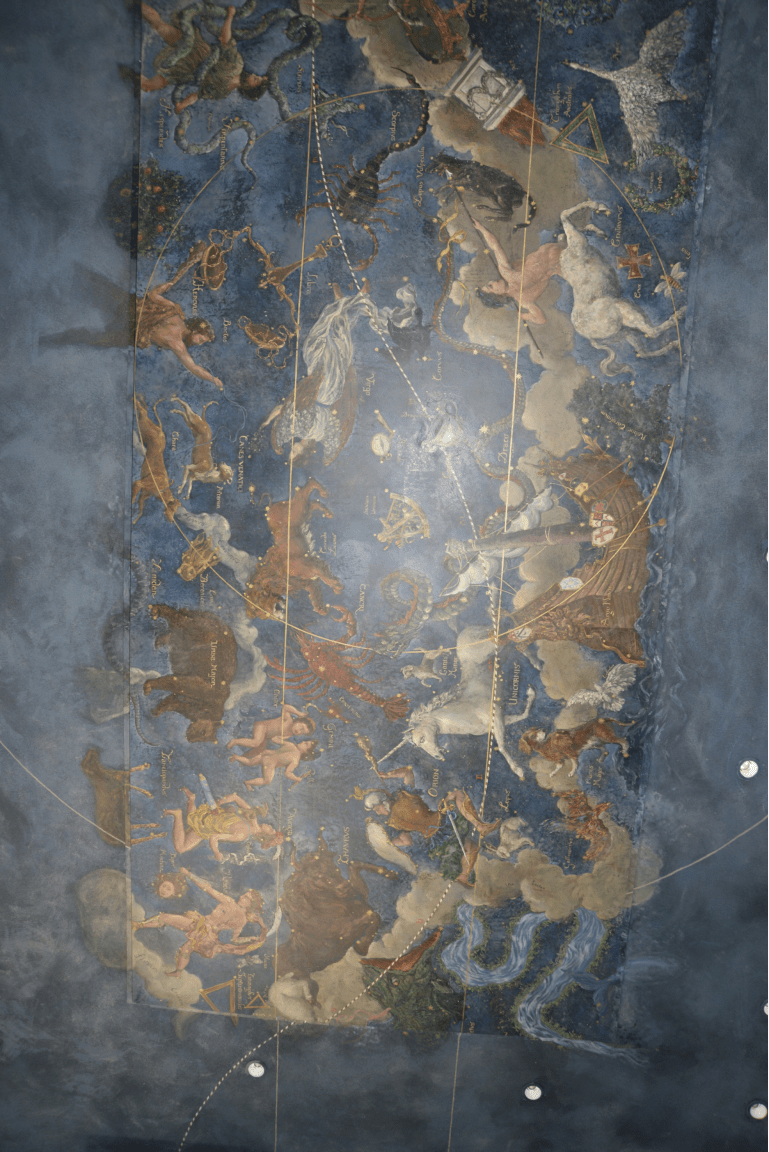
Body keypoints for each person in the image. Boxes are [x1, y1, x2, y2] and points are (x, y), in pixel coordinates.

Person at [133, 867, 267, 975]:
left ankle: (139, 925)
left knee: (169, 923)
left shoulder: (230, 902)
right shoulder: (242, 921)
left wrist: (189, 874)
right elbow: (235, 940)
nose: (242, 896)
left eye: (246, 897)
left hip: (203, 929)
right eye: (245, 894)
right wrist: (249, 939)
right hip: (205, 931)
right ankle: (178, 972)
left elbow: (207, 888)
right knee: (186, 946)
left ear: (250, 904)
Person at [140, 4, 268, 113]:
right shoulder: (237, 64)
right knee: (160, 26)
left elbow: (198, 95)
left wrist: (182, 105)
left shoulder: (223, 92)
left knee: (148, 85)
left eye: (256, 79)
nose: (253, 74)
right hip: (197, 51)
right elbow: (225, 40)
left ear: (249, 88)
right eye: (256, 76)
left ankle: (130, 74)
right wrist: (230, 16)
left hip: (186, 71)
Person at [472, 216, 564, 325]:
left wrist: (481, 229)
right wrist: (522, 316)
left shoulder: (507, 273)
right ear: (497, 295)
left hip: (556, 249)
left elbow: (495, 247)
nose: (492, 281)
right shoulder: (523, 299)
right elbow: (541, 319)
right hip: (561, 266)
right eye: (490, 286)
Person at [163, 787, 284, 861]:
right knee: (181, 848)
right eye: (273, 829)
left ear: (264, 836)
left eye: (271, 831)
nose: (271, 827)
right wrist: (216, 852)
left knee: (193, 821)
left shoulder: (251, 817)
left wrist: (218, 803)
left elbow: (234, 797)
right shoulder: (242, 834)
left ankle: (191, 800)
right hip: (208, 826)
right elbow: (214, 837)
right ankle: (178, 814)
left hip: (210, 815)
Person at [226, 704, 316, 766]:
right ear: (299, 720)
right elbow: (285, 707)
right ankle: (235, 741)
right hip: (262, 727)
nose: (299, 731)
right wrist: (299, 713)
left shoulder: (289, 734)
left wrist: (279, 741)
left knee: (259, 750)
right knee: (256, 742)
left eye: (302, 732)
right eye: (301, 727)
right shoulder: (288, 720)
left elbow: (274, 739)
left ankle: (241, 758)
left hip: (265, 736)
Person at [241, 738, 321, 788]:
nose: (303, 741)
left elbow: (275, 739)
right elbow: (287, 773)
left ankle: (236, 757)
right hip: (270, 764)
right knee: (267, 781)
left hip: (266, 754)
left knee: (249, 762)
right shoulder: (295, 761)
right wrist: (297, 778)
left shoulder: (291, 745)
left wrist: (278, 736)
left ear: (306, 752)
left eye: (305, 744)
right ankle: (248, 783)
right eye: (305, 741)